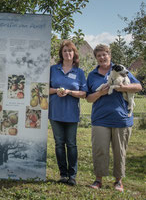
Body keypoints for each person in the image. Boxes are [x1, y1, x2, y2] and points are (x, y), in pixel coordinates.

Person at [86, 44, 142, 192]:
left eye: (104, 54)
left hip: (121, 118)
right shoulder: (92, 75)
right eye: (99, 56)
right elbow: (89, 99)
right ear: (96, 58)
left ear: (109, 55)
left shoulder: (121, 70)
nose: (102, 58)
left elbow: (138, 87)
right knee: (100, 150)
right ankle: (98, 180)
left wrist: (122, 88)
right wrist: (99, 93)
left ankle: (118, 181)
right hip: (100, 119)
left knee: (120, 152)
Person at [48, 40, 87, 186]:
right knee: (59, 144)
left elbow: (83, 93)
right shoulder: (53, 69)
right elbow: (45, 88)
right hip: (55, 112)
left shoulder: (79, 72)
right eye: (65, 50)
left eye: (70, 51)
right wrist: (56, 90)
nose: (67, 53)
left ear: (74, 54)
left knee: (71, 144)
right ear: (61, 53)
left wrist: (69, 92)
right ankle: (63, 174)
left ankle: (72, 175)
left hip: (71, 113)